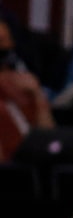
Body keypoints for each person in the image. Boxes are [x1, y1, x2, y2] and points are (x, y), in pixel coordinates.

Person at [0, 13, 54, 159]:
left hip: (32, 171)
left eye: (7, 47)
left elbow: (50, 141)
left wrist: (38, 95)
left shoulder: (24, 88)